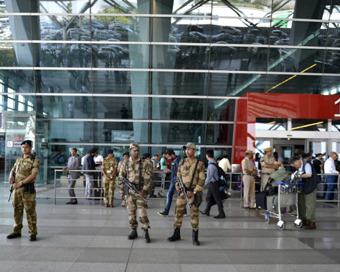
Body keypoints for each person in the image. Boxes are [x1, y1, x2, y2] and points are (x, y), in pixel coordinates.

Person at [168, 142, 205, 246]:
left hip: (193, 193)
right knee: (178, 212)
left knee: (194, 214)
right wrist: (176, 184)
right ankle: (176, 233)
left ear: (194, 150)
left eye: (189, 149)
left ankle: (195, 236)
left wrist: (193, 191)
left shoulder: (199, 164)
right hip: (182, 192)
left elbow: (202, 180)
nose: (187, 151)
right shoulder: (182, 162)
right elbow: (178, 175)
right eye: (186, 149)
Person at [7, 140, 41, 241]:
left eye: (26, 147)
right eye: (22, 147)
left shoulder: (34, 159)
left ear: (30, 148)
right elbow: (13, 169)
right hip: (16, 189)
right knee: (17, 210)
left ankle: (32, 232)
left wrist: (20, 183)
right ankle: (16, 231)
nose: (24, 149)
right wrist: (11, 175)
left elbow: (33, 175)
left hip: (27, 189)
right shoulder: (19, 159)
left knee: (30, 211)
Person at [119, 143, 153, 243]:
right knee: (131, 212)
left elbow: (148, 178)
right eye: (134, 151)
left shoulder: (145, 163)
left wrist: (145, 189)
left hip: (140, 191)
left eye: (138, 150)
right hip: (129, 192)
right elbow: (121, 177)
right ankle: (134, 230)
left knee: (142, 212)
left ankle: (146, 231)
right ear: (130, 151)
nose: (136, 152)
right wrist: (121, 191)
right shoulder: (125, 163)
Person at [290, 156, 318, 229]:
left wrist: (298, 175)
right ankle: (303, 218)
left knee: (310, 204)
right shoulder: (300, 167)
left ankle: (311, 221)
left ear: (297, 162)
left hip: (310, 186)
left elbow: (309, 174)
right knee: (301, 203)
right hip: (303, 186)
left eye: (295, 165)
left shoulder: (307, 164)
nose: (295, 167)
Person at [200, 150, 226, 218]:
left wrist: (203, 185)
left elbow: (209, 177)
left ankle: (221, 213)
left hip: (214, 184)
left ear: (207, 156)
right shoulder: (213, 163)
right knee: (208, 197)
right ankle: (207, 211)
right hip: (213, 183)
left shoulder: (211, 165)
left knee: (217, 198)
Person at [158, 149, 184, 216]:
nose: (168, 158)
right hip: (174, 181)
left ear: (172, 155)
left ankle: (166, 212)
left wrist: (169, 170)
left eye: (169, 157)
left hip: (175, 181)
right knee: (178, 195)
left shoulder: (177, 160)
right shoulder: (174, 160)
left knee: (169, 195)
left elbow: (179, 171)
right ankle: (184, 211)